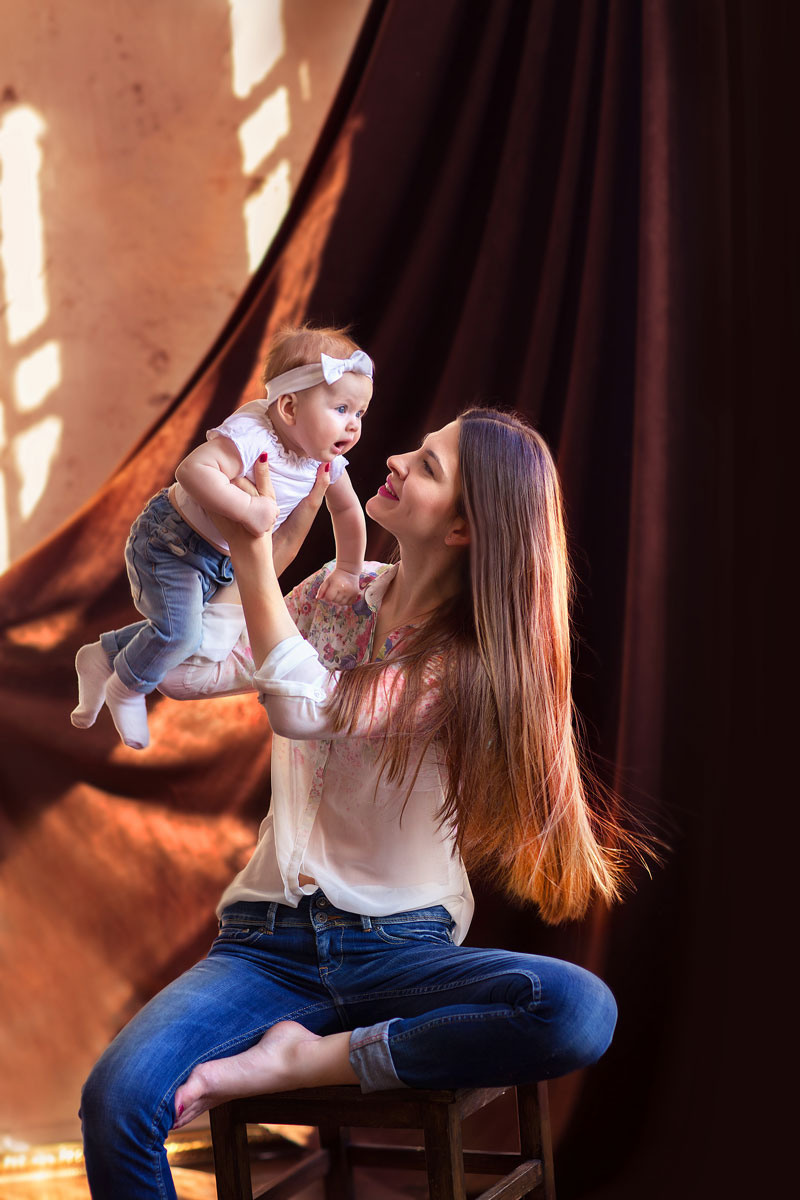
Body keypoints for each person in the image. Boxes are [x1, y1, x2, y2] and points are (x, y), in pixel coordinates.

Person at [80, 408, 627, 1200]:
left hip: (401, 951)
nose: (397, 457)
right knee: (117, 1100)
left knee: (578, 1009)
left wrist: (252, 547)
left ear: (467, 530)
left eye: (429, 466)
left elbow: (306, 706)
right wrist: (166, 593)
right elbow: (210, 668)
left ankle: (307, 1055)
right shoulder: (337, 594)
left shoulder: (465, 666)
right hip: (265, 943)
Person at [70, 324, 373, 750]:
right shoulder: (252, 434)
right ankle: (128, 688)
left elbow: (346, 510)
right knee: (181, 636)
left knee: (184, 633)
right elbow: (192, 471)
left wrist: (348, 568)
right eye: (342, 408)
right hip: (172, 542)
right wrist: (250, 509)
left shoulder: (323, 461)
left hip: (220, 559)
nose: (354, 425)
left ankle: (101, 657)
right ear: (288, 407)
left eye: (360, 413)